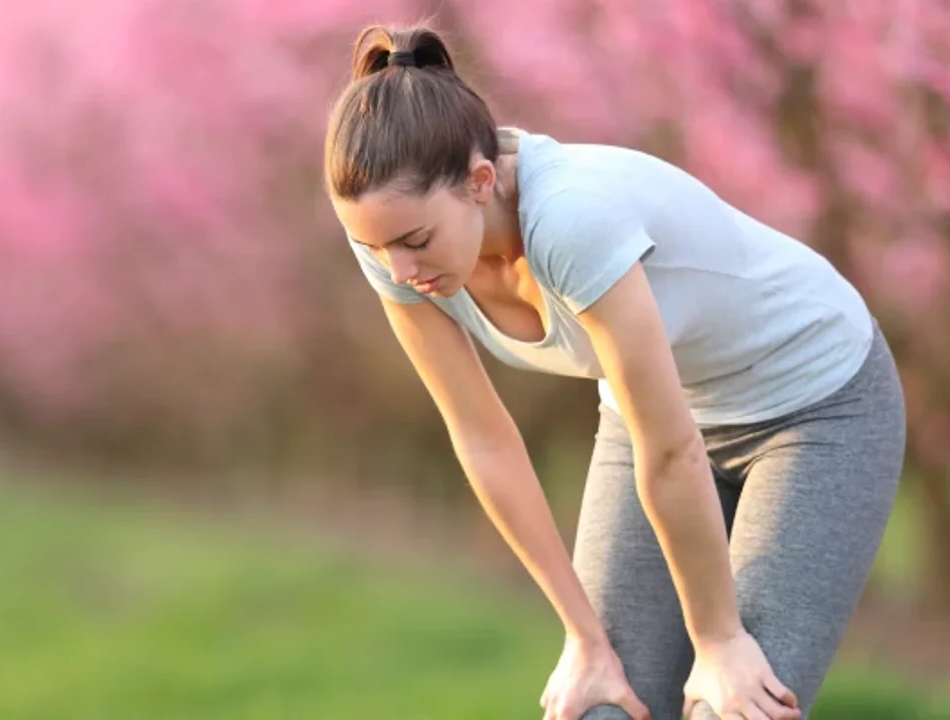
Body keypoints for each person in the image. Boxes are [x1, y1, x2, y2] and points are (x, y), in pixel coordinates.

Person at [322, 23, 907, 720]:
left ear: (481, 182)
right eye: (375, 247)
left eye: (415, 243)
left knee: (737, 709)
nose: (400, 272)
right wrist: (582, 637)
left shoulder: (571, 220)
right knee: (600, 705)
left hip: (816, 404)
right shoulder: (394, 236)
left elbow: (671, 450)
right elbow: (483, 439)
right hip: (657, 414)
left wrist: (718, 640)